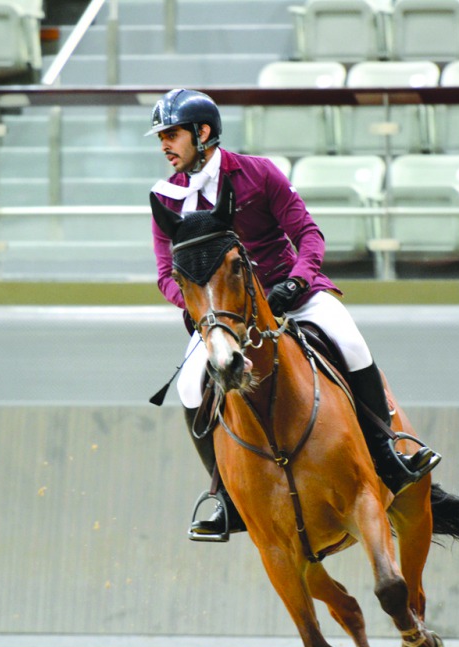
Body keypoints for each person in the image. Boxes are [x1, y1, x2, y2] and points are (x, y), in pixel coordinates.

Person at [148, 88, 441, 539]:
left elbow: (308, 233)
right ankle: (225, 496)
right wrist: (201, 308)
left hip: (291, 293)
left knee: (351, 341)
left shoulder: (258, 174)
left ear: (202, 133)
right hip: (224, 317)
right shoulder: (165, 198)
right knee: (189, 385)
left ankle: (387, 452)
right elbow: (166, 273)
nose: (164, 145)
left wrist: (298, 281)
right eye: (161, 136)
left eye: (172, 134)